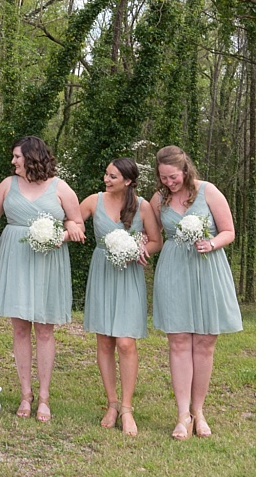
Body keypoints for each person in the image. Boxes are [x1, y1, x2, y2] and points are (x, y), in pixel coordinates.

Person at [0, 132, 85, 422]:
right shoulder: (7, 185)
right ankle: (25, 394)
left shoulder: (61, 188)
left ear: (31, 157)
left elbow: (77, 222)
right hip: (15, 257)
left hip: (48, 259)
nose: (13, 161)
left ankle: (44, 396)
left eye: (17, 156)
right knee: (19, 328)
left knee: (44, 329)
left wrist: (62, 234)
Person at [150, 145, 242, 441]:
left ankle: (198, 411)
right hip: (174, 270)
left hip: (207, 268)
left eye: (173, 177)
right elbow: (154, 236)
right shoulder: (158, 200)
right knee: (178, 340)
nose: (168, 183)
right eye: (163, 178)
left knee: (204, 342)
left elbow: (229, 231)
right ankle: (181, 415)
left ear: (185, 170)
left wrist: (211, 243)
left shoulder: (209, 192)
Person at [78, 155, 161, 435]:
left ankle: (127, 408)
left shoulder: (143, 206)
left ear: (127, 180)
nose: (106, 179)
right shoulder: (93, 201)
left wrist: (139, 251)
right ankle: (111, 403)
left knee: (126, 342)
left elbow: (155, 240)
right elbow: (73, 220)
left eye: (112, 176)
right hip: (102, 271)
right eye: (106, 174)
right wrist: (71, 228)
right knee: (104, 340)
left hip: (129, 276)